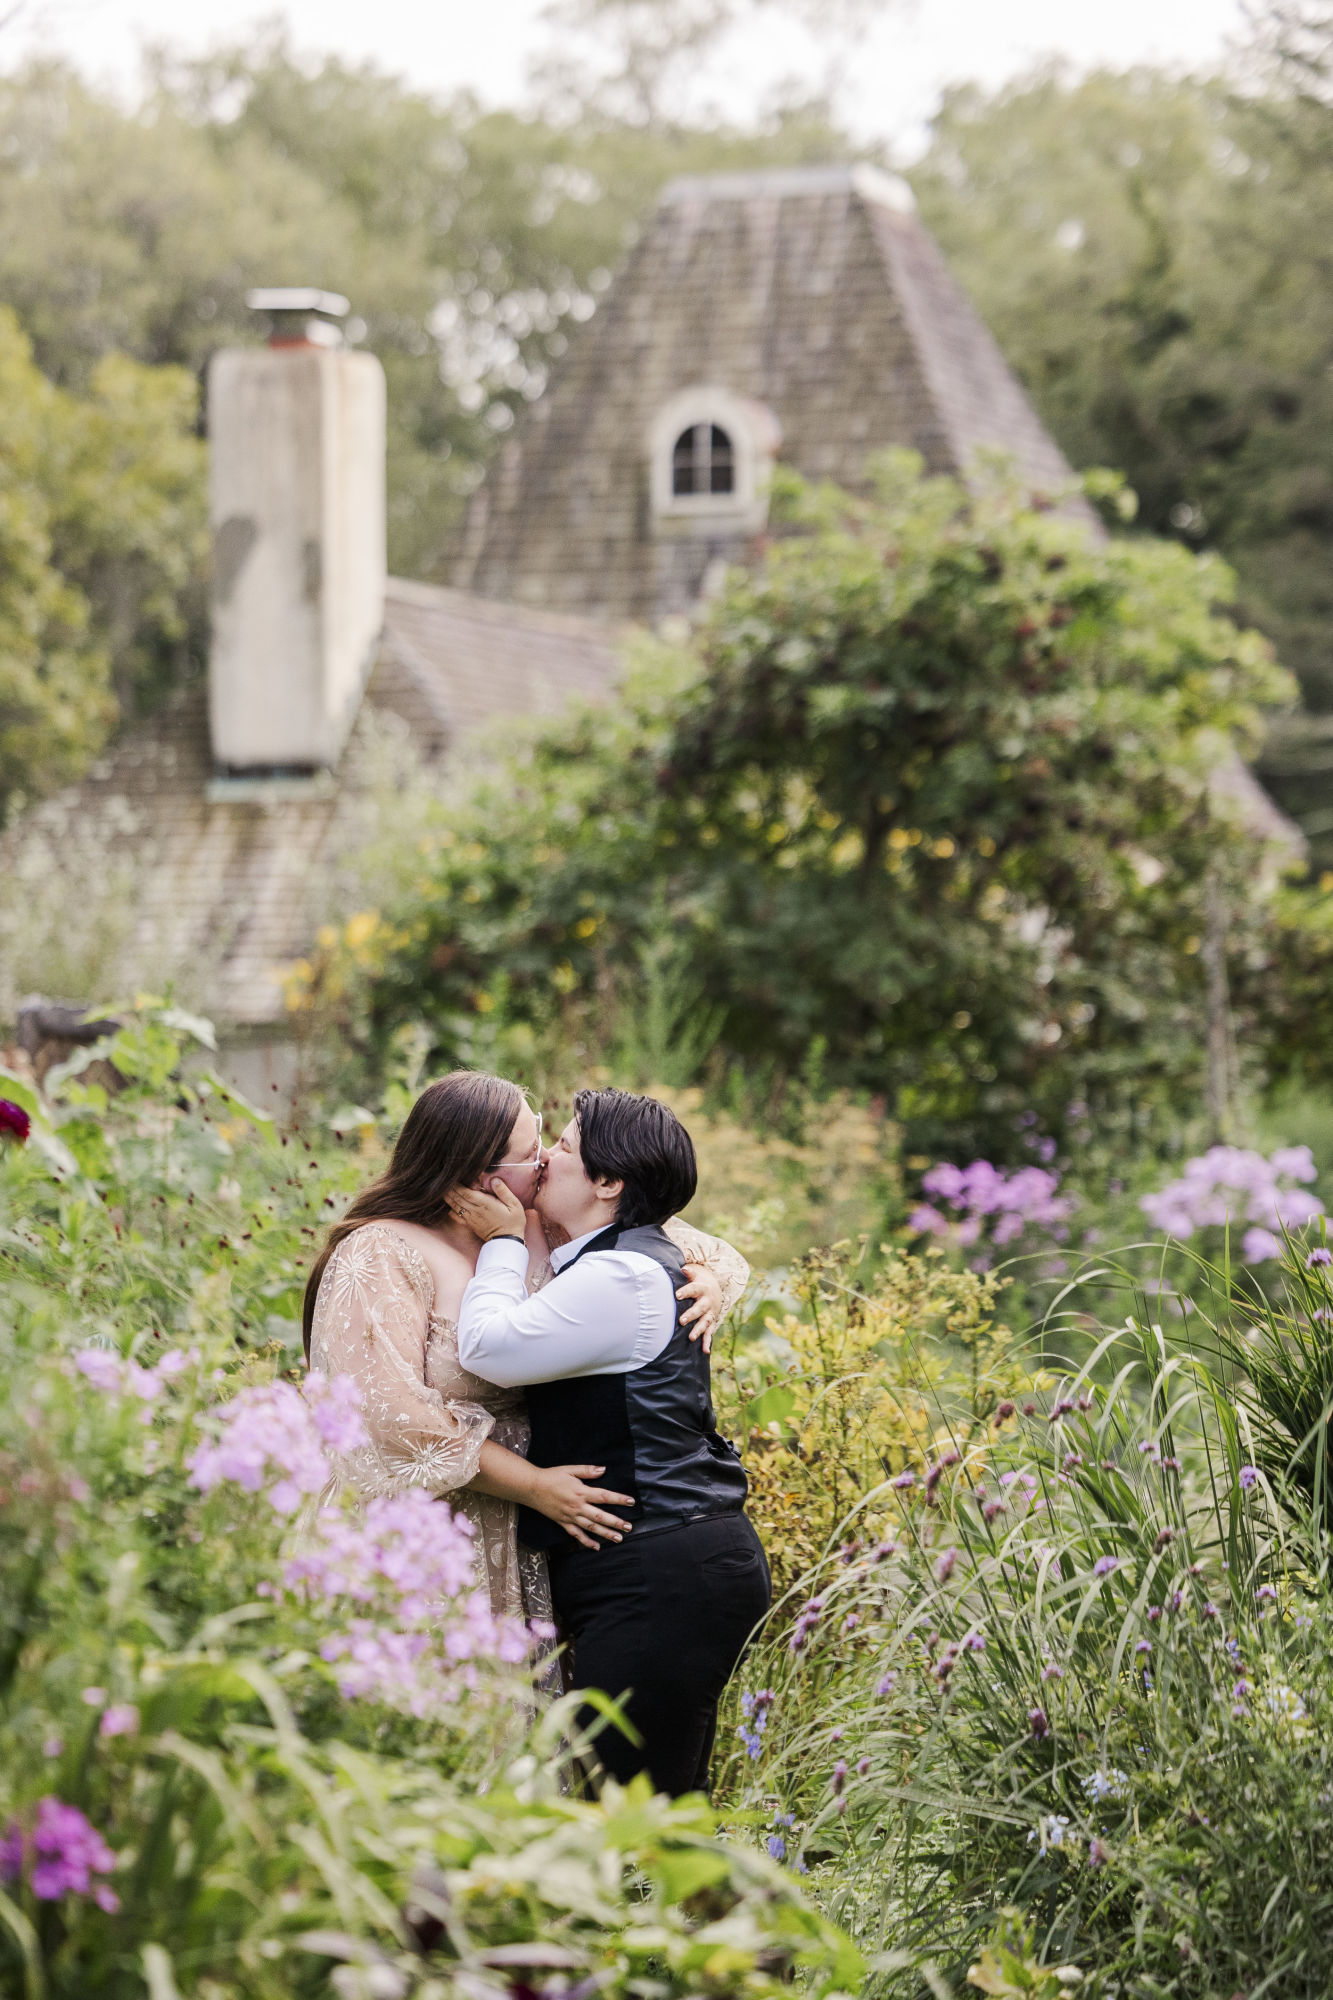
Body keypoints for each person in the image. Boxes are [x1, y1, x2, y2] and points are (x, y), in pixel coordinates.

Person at [302, 1071, 749, 1660]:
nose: (545, 1162)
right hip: (434, 1526)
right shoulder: (383, 1250)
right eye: (530, 1152)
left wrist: (704, 1280)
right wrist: (533, 1484)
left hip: (541, 1530)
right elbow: (386, 1417)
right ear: (482, 1175)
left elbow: (680, 1242)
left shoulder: (542, 1223)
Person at [449, 1086, 771, 1798]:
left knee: (630, 1810)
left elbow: (486, 1348)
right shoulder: (624, 1260)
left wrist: (503, 1245)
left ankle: (658, 1911)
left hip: (663, 1569)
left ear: (607, 1182)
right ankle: (672, 1910)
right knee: (649, 1801)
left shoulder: (619, 1276)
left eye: (560, 1149)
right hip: (665, 1561)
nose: (543, 1163)